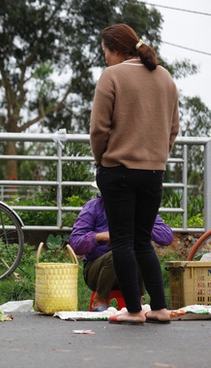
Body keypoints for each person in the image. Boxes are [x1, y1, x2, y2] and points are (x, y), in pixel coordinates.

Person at [90, 24, 179, 324]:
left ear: (116, 50)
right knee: (143, 240)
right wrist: (158, 155)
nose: (105, 59)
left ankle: (133, 311)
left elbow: (99, 128)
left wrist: (101, 160)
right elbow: (173, 127)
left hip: (119, 170)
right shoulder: (164, 76)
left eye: (105, 52)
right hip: (154, 171)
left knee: (124, 241)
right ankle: (160, 308)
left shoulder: (111, 76)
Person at [69, 189, 174, 311]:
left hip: (131, 271)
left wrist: (141, 227)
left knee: (139, 251)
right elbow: (75, 243)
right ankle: (99, 299)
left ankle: (137, 300)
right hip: (97, 270)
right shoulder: (93, 207)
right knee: (119, 252)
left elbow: (167, 237)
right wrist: (99, 236)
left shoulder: (140, 208)